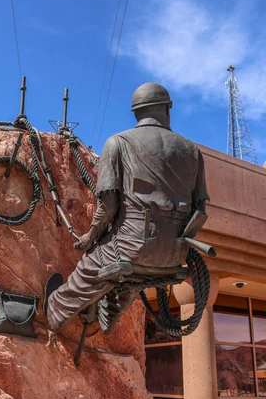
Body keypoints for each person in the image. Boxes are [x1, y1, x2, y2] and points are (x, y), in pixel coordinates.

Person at [44, 83, 209, 334]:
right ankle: (108, 316)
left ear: (136, 113)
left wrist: (91, 236)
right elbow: (200, 208)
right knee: (130, 273)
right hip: (175, 254)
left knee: (91, 264)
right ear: (167, 108)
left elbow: (108, 205)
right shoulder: (192, 151)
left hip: (133, 245)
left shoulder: (118, 142)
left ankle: (54, 311)